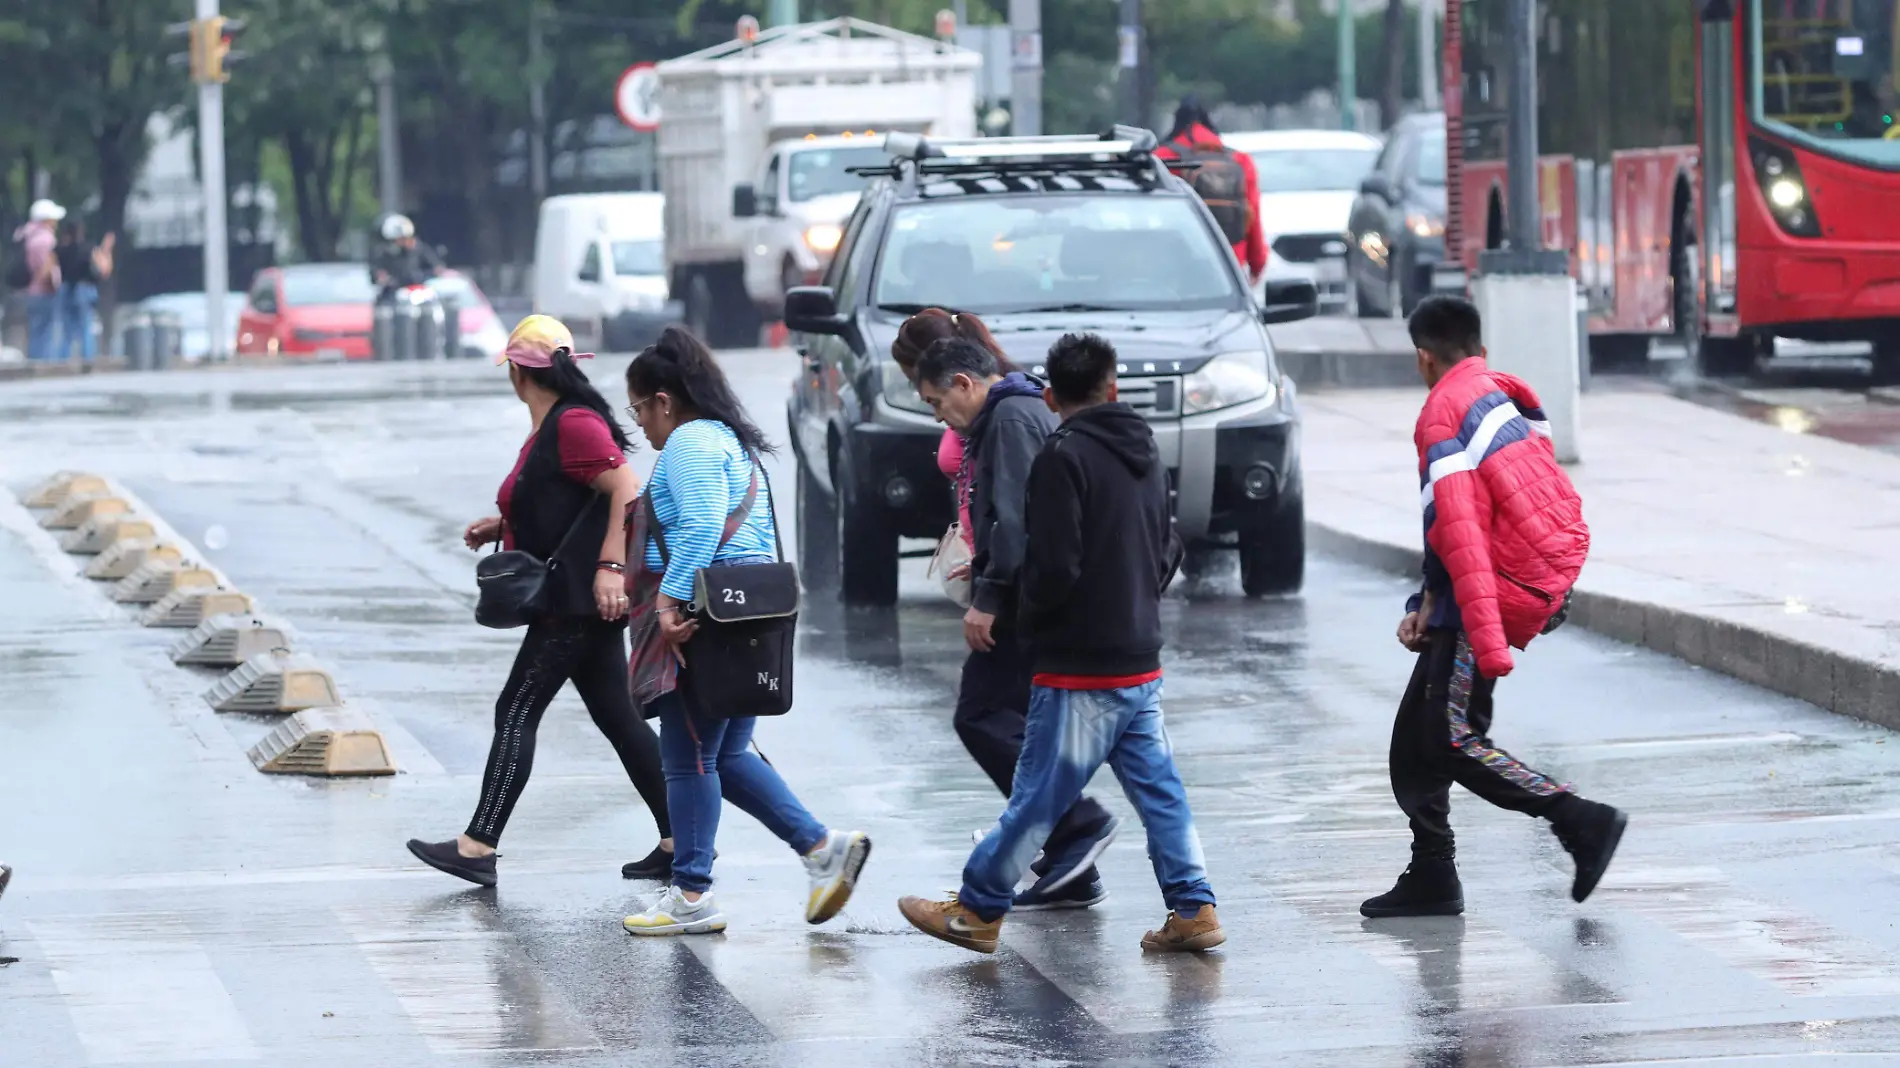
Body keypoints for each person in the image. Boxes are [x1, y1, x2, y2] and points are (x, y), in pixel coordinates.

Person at [899, 332, 1223, 955]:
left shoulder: (1061, 457)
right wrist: (1140, 606)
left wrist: (1039, 624)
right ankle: (1194, 907)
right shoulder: (1145, 448)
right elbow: (1169, 544)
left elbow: (1052, 567)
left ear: (1050, 394)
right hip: (1138, 655)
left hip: (1078, 663)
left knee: (1037, 795)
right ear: (1113, 388)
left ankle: (977, 907)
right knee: (1160, 791)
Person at [1360, 296, 1626, 919]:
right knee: (1413, 741)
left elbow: (1450, 522)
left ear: (1424, 357)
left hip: (1486, 586)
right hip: (1490, 576)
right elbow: (1466, 514)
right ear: (1477, 347)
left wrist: (1450, 612)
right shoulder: (1492, 390)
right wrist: (1429, 599)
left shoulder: (1440, 412)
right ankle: (1432, 874)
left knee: (1452, 738)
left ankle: (1577, 818)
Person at [619, 325, 870, 936]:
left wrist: (672, 604)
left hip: (707, 621)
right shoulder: (727, 440)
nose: (641, 425)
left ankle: (692, 893)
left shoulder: (690, 444)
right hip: (744, 615)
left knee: (688, 759)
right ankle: (820, 849)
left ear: (664, 400)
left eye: (638, 409)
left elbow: (703, 526)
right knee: (725, 754)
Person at [406, 314, 672, 887]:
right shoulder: (555, 422)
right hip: (575, 597)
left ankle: (477, 846)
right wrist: (503, 523)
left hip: (576, 600)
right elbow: (562, 497)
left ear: (518, 373)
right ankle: (678, 838)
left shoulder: (572, 424)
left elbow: (623, 488)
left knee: (516, 711)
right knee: (619, 718)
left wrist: (608, 568)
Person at [911, 336, 1123, 908]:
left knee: (981, 715)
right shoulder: (1013, 412)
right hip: (1031, 597)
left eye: (936, 402)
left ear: (964, 383)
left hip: (1024, 599)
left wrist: (990, 598)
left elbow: (1018, 519)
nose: (940, 417)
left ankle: (1077, 825)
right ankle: (1071, 864)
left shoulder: (1008, 420)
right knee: (1027, 730)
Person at [1154, 97, 1267, 287]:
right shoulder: (1239, 160)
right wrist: (1257, 265)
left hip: (1173, 270)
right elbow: (1252, 219)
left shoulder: (1162, 158)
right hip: (1228, 269)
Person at [55, 222, 113, 364]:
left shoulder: (60, 250)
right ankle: (88, 359)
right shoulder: (88, 248)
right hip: (85, 288)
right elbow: (103, 269)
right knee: (86, 325)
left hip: (66, 288)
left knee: (67, 330)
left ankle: (64, 359)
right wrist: (106, 249)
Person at [14, 199, 64, 361]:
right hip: (44, 290)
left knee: (35, 329)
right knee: (45, 330)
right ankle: (43, 362)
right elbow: (46, 268)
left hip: (30, 290)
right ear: (46, 219)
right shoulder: (45, 239)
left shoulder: (26, 235)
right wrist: (55, 283)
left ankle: (35, 360)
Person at [370, 213, 443, 299]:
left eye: (407, 237)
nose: (405, 241)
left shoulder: (420, 250)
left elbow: (436, 268)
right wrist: (381, 277)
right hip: (394, 293)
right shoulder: (383, 254)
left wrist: (422, 276)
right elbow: (376, 274)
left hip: (419, 291)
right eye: (400, 238)